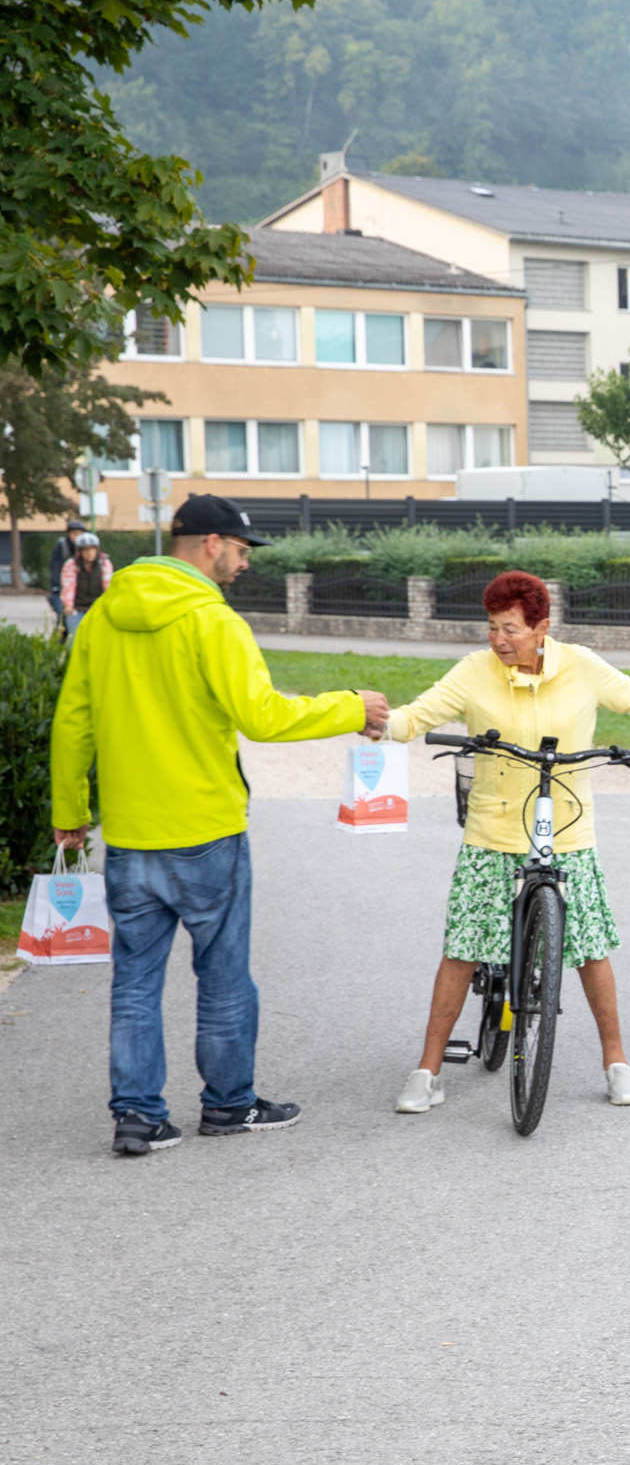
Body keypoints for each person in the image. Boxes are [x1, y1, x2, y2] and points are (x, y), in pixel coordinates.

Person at [48, 494, 388, 1157]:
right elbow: (262, 715)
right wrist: (351, 706)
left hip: (130, 834)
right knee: (225, 974)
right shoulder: (212, 620)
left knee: (136, 980)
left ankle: (139, 1116)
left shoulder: (102, 617)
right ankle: (230, 1103)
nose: (241, 563)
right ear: (209, 543)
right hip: (206, 829)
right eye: (239, 549)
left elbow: (72, 720)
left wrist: (69, 815)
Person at [383, 571, 630, 1116]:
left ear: (542, 627)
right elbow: (418, 715)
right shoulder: (474, 672)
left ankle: (617, 1062)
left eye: (509, 628)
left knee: (589, 946)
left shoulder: (580, 666)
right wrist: (378, 723)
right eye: (492, 627)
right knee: (463, 947)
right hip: (492, 831)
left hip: (567, 832)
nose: (498, 640)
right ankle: (428, 1069)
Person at [57, 532, 112, 639]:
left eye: (92, 549)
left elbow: (108, 586)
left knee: (98, 638)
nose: (89, 553)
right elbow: (68, 586)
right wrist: (68, 605)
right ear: (79, 551)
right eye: (85, 550)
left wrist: (108, 605)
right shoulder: (71, 565)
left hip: (97, 608)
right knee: (74, 638)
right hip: (76, 608)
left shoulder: (105, 564)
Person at [43, 517, 82, 630]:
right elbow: (55, 567)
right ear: (68, 534)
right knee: (62, 619)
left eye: (80, 534)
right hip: (62, 587)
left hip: (79, 590)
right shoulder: (62, 546)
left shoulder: (85, 548)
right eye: (74, 533)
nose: (77, 537)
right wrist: (55, 587)